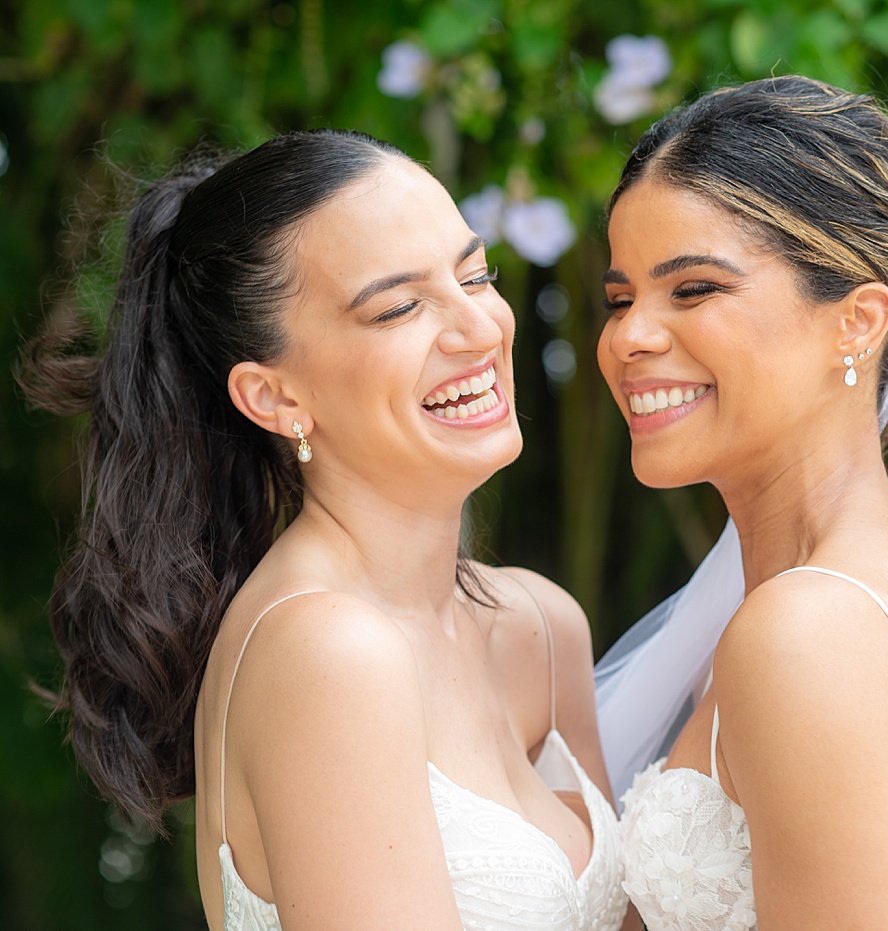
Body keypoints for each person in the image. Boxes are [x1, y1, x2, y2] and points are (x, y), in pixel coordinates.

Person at [22, 130, 628, 931]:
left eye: (476, 275)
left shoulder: (542, 629)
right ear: (274, 398)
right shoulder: (324, 648)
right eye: (400, 306)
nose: (480, 329)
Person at [594, 75, 888, 930]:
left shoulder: (806, 629)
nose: (629, 336)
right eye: (620, 298)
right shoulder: (834, 588)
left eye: (694, 289)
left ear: (855, 321)